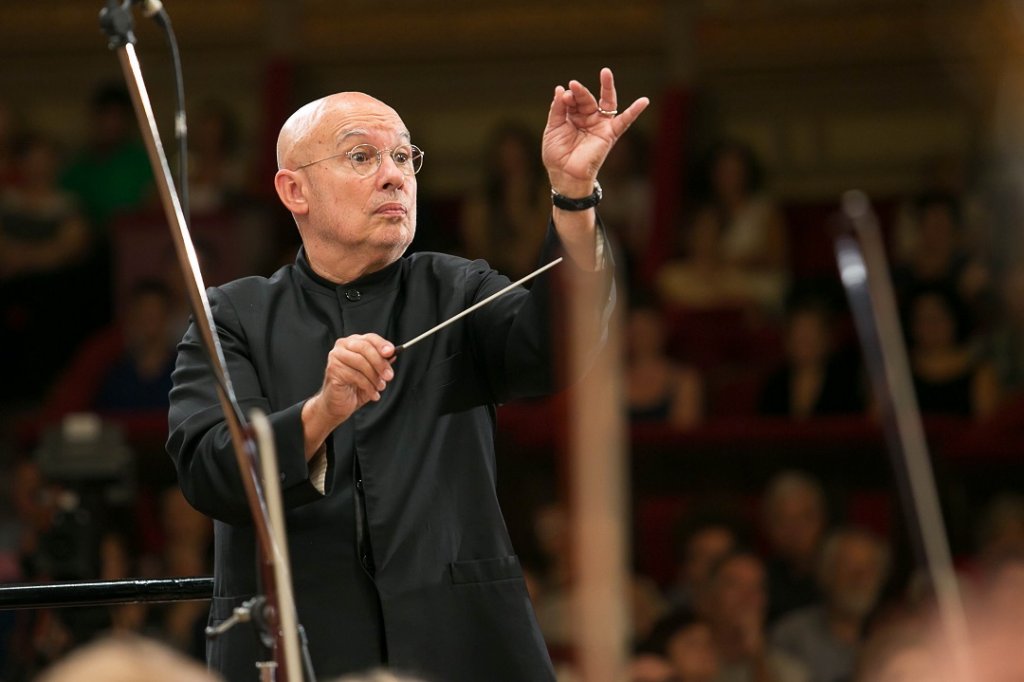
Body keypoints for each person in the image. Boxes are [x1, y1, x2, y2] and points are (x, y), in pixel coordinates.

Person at [167, 69, 648, 682]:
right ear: (294, 191)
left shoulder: (455, 286)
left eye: (403, 156)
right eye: (362, 156)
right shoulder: (231, 316)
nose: (394, 175)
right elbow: (209, 473)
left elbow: (558, 350)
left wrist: (574, 195)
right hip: (304, 644)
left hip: (462, 642)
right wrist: (323, 411)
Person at [770, 527, 890, 682]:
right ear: (826, 572)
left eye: (870, 568)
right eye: (848, 567)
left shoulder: (891, 636)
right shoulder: (791, 636)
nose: (860, 578)